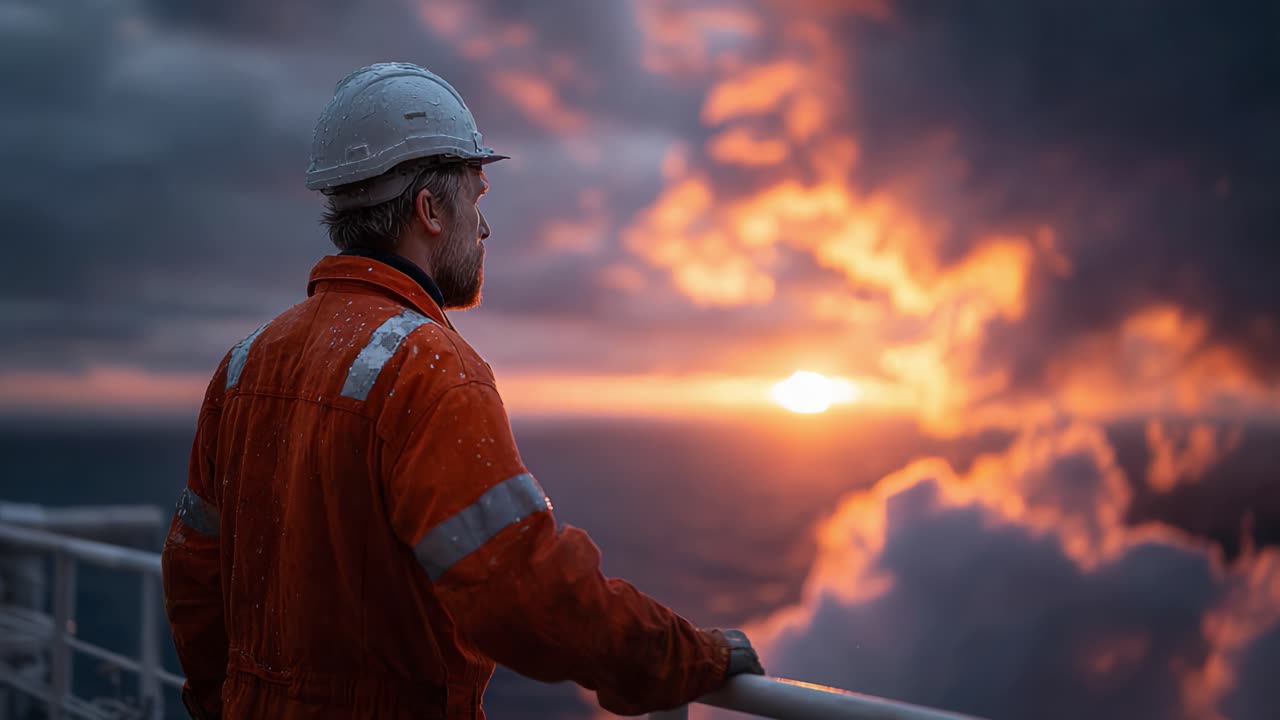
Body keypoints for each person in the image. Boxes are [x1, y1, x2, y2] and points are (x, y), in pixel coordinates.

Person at [160, 62, 764, 720]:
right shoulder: (429, 369)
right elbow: (521, 589)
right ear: (429, 211)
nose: (485, 229)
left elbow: (194, 573)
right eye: (477, 197)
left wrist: (226, 704)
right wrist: (685, 655)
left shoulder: (246, 364)